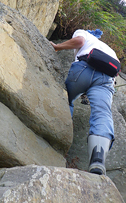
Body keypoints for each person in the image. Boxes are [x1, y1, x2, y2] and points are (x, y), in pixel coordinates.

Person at [50, 29, 119, 175]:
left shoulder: (83, 33)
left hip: (84, 67)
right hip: (106, 79)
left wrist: (57, 47)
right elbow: (116, 69)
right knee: (102, 114)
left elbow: (80, 42)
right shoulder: (109, 49)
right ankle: (97, 161)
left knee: (66, 99)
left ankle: (58, 141)